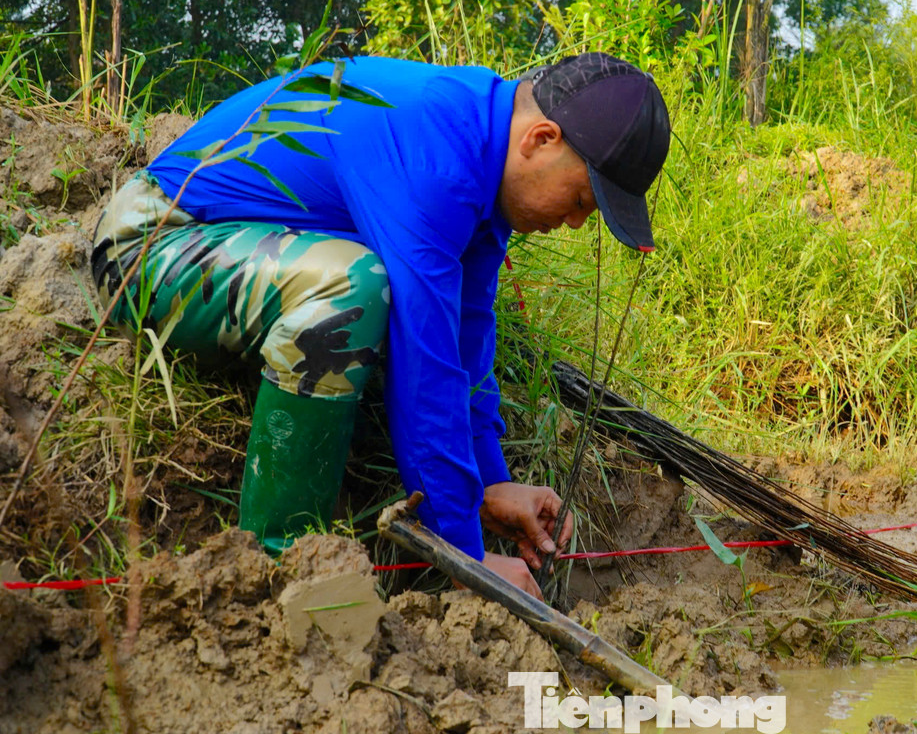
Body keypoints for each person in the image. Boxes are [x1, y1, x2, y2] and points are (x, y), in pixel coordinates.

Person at [90, 52, 671, 598]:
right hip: (149, 251)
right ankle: (284, 562)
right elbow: (426, 370)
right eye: (578, 200)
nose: (572, 223)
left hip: (232, 253)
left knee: (364, 284)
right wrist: (465, 556)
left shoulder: (479, 150)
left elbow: (463, 336)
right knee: (351, 285)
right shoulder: (433, 159)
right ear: (540, 140)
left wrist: (489, 482)